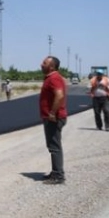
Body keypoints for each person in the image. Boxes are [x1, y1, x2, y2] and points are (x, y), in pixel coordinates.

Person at [39, 56, 67, 185]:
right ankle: (56, 171)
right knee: (53, 146)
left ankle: (58, 175)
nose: (41, 64)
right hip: (51, 117)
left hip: (54, 118)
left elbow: (59, 95)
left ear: (51, 66)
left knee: (54, 146)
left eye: (44, 63)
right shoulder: (50, 78)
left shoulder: (54, 78)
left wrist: (52, 113)